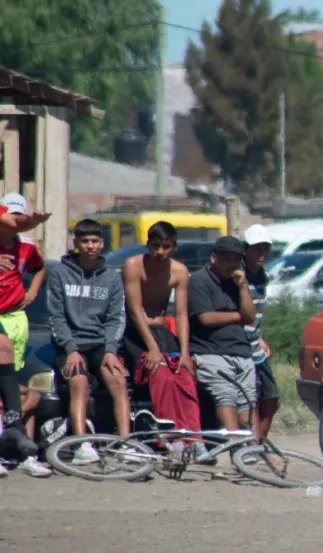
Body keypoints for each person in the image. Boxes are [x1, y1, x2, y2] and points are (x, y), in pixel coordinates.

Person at [47, 219, 130, 456]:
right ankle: (82, 444)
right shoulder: (60, 274)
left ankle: (125, 444)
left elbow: (116, 317)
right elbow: (56, 317)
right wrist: (70, 349)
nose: (90, 246)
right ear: (76, 243)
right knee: (79, 383)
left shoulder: (112, 278)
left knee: (119, 381)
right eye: (84, 241)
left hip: (102, 345)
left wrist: (111, 349)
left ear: (102, 243)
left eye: (94, 241)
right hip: (71, 345)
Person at [121, 221, 200, 438]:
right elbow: (135, 310)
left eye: (165, 247)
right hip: (137, 333)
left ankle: (192, 435)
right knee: (161, 375)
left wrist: (185, 353)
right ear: (147, 245)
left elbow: (182, 314)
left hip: (163, 331)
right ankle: (168, 434)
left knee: (185, 375)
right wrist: (153, 349)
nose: (159, 252)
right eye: (155, 246)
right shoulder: (133, 265)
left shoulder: (179, 271)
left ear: (174, 247)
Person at [187, 236, 257, 436]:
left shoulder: (237, 283)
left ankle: (252, 449)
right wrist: (239, 316)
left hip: (241, 350)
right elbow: (206, 318)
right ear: (214, 258)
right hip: (211, 352)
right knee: (226, 395)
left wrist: (243, 287)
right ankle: (235, 444)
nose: (233, 264)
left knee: (249, 401)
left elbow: (250, 316)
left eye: (237, 259)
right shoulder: (199, 281)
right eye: (228, 259)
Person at [0, 196, 50, 477]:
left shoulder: (26, 247)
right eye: (11, 217)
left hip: (16, 318)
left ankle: (23, 450)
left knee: (19, 384)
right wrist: (35, 219)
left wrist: (31, 293)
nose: (14, 224)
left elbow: (39, 267)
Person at [242, 225, 279, 443]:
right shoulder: (239, 277)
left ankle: (259, 442)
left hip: (256, 345)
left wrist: (260, 336)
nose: (262, 254)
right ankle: (254, 445)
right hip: (242, 347)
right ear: (246, 250)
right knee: (252, 400)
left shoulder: (262, 277)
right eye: (257, 248)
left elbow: (256, 314)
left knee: (272, 398)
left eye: (266, 248)